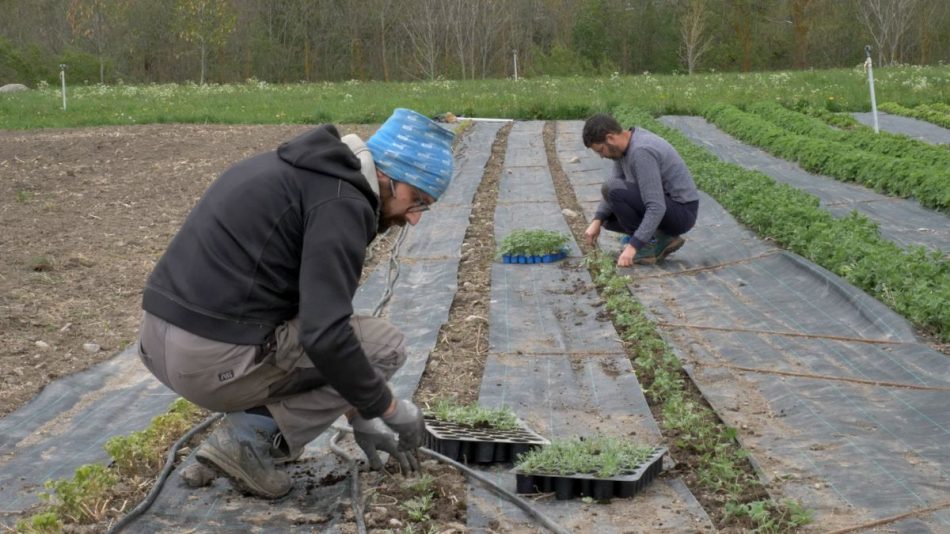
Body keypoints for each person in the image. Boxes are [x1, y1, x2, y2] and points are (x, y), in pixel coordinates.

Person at [136, 108, 454, 499]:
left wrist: (356, 411)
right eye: (417, 200)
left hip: (157, 344)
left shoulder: (293, 170)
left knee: (327, 337)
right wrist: (385, 409)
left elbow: (304, 312)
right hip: (209, 361)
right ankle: (246, 443)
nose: (415, 218)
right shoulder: (342, 203)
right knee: (383, 346)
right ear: (388, 175)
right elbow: (325, 334)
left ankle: (239, 441)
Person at [581, 113, 699, 267]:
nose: (602, 156)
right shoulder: (622, 149)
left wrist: (633, 246)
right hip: (668, 208)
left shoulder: (641, 152)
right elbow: (614, 184)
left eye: (600, 150)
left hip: (681, 213)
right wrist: (597, 220)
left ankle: (648, 246)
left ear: (610, 138)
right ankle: (661, 238)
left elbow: (656, 206)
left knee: (614, 190)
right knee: (608, 218)